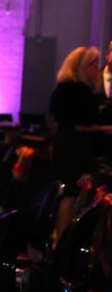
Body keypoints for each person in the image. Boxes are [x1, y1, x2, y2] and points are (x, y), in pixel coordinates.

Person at [49, 46, 106, 238]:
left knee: (69, 192)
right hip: (75, 148)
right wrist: (105, 127)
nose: (96, 70)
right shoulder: (78, 90)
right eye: (93, 65)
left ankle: (62, 238)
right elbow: (81, 124)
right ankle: (65, 240)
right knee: (72, 193)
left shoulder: (64, 88)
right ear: (82, 66)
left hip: (66, 144)